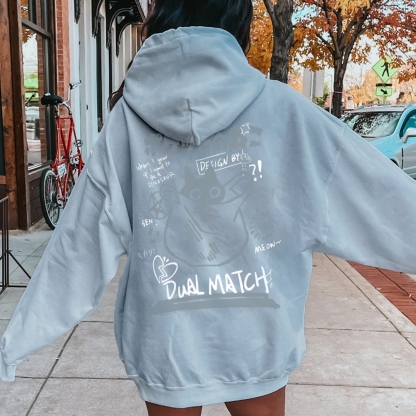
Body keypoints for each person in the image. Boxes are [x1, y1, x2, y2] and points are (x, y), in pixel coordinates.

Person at [2, 1, 416, 415]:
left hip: (165, 339)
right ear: (238, 22)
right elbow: (380, 198)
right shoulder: (286, 110)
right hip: (258, 337)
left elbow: (79, 245)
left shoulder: (127, 118)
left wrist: (17, 341)